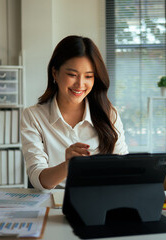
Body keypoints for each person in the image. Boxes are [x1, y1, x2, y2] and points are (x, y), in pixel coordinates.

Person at [21, 35, 128, 190]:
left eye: (89, 76)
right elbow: (38, 179)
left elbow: (124, 168)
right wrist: (68, 165)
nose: (80, 84)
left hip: (101, 199)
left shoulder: (109, 114)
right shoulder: (33, 116)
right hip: (55, 203)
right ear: (55, 73)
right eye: (72, 75)